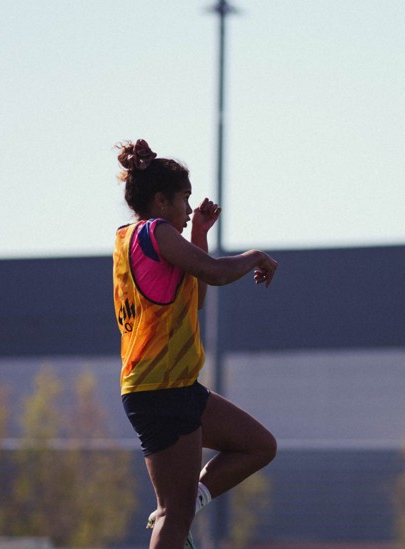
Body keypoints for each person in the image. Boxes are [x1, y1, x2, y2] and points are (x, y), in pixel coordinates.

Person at [112, 139, 278, 549]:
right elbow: (217, 274)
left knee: (258, 446)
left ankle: (187, 503)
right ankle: (180, 509)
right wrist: (255, 255)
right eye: (184, 200)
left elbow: (199, 294)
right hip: (159, 389)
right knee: (174, 512)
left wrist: (200, 233)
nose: (189, 210)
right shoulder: (156, 231)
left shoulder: (138, 239)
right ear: (160, 200)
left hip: (177, 387)